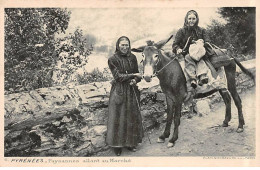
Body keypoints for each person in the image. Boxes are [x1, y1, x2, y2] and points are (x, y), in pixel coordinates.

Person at [106, 36, 144, 156]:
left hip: (131, 90)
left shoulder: (132, 57)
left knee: (131, 117)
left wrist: (135, 80)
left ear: (129, 45)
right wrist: (134, 75)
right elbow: (118, 77)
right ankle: (117, 146)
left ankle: (131, 143)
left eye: (126, 45)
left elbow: (137, 74)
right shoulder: (112, 59)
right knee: (119, 118)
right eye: (122, 45)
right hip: (119, 91)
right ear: (118, 45)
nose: (124, 47)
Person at [172, 10, 211, 90]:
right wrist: (178, 49)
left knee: (200, 58)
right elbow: (175, 44)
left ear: (197, 19)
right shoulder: (181, 31)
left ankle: (203, 76)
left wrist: (203, 43)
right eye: (189, 19)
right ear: (186, 19)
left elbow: (207, 40)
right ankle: (193, 78)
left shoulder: (202, 30)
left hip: (199, 53)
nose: (191, 21)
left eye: (193, 19)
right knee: (188, 58)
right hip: (186, 53)